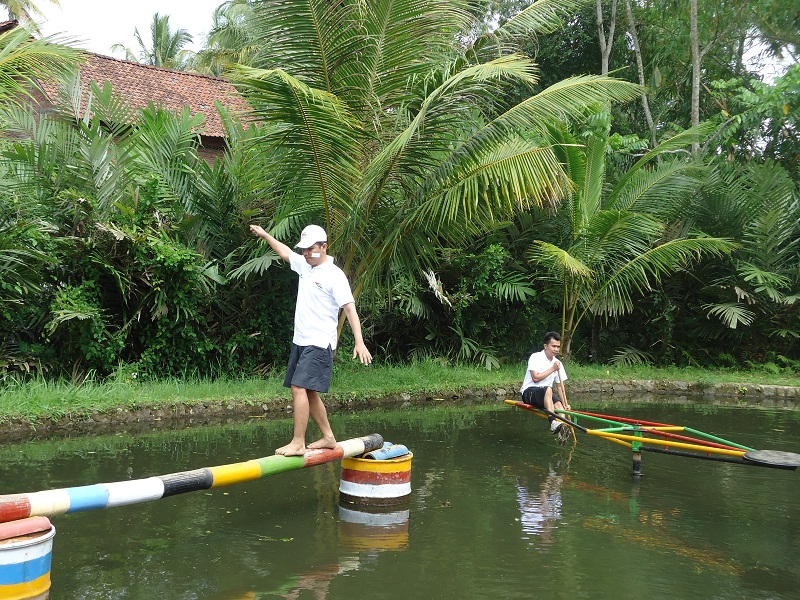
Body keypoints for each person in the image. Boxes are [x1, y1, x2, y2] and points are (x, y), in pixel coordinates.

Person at [249, 223, 372, 456]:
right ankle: (328, 437)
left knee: (298, 387)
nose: (306, 253)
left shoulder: (334, 275)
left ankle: (298, 442)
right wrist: (266, 235)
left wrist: (359, 341)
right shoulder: (306, 266)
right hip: (301, 341)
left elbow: (350, 307)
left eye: (310, 249)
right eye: (303, 249)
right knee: (309, 392)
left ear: (324, 247)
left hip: (319, 342)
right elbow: (285, 252)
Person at [520, 331, 571, 434]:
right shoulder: (535, 357)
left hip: (546, 393)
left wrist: (565, 404)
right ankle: (553, 423)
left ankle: (561, 429)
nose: (556, 349)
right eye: (553, 346)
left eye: (558, 347)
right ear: (545, 346)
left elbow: (560, 387)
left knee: (559, 405)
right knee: (548, 389)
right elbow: (535, 378)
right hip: (529, 392)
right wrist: (552, 369)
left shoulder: (558, 363)